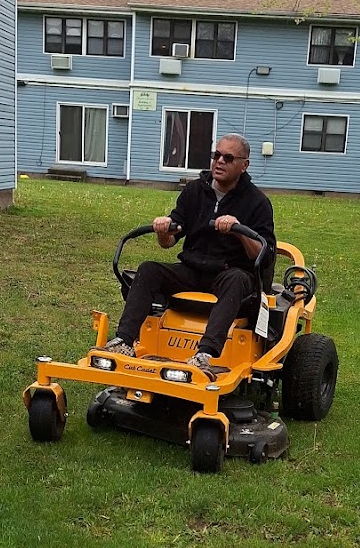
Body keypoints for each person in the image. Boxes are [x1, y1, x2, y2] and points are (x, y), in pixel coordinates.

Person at [105, 135, 276, 374]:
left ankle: (205, 354)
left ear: (244, 165)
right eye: (216, 155)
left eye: (228, 158)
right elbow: (169, 242)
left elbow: (265, 254)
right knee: (148, 270)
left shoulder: (257, 202)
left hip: (229, 273)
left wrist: (239, 231)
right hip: (192, 269)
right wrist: (163, 231)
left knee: (237, 279)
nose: (220, 161)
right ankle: (124, 341)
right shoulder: (194, 191)